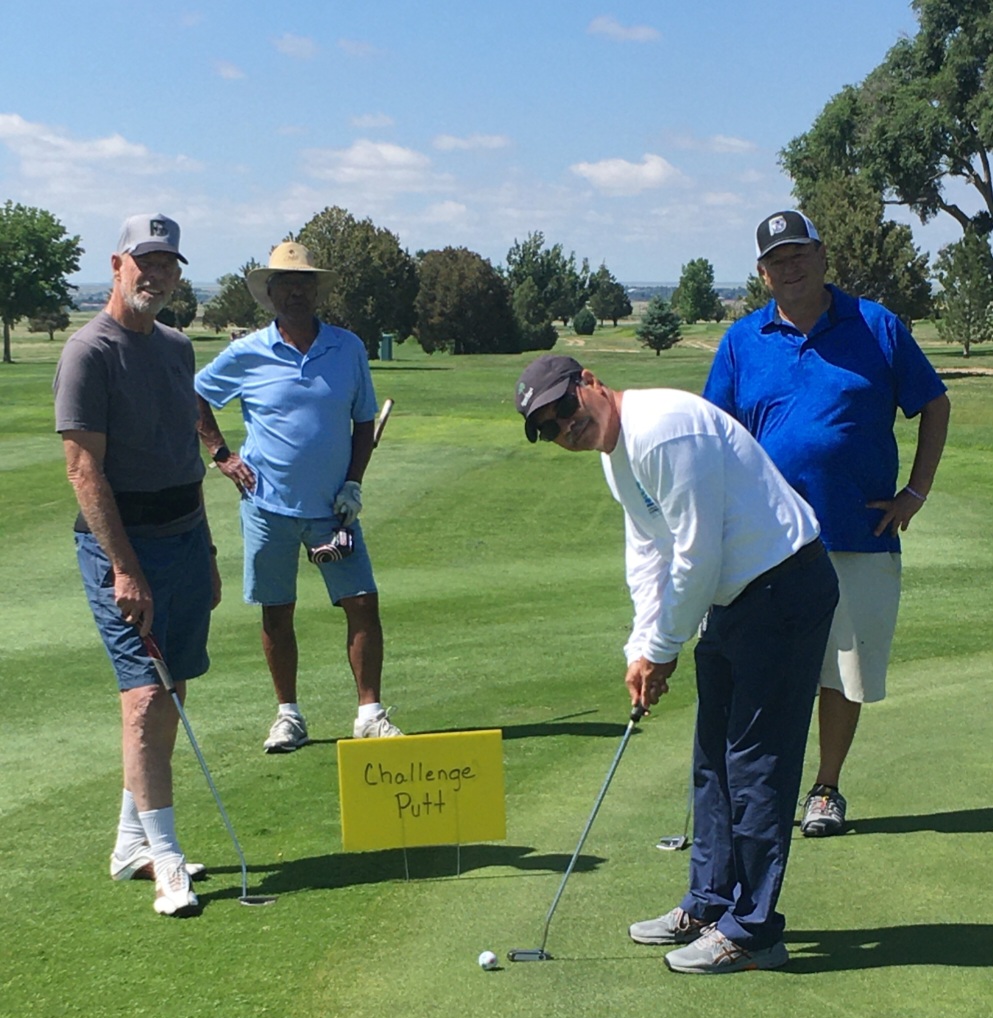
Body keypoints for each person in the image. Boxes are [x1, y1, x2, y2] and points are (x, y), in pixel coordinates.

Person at [514, 355, 839, 974]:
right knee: (712, 757)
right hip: (734, 597)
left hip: (782, 587)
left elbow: (695, 554)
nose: (564, 428)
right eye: (549, 429)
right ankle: (710, 901)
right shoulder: (616, 456)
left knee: (755, 764)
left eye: (565, 409)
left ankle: (753, 933)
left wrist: (663, 650)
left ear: (591, 383)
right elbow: (648, 554)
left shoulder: (663, 429)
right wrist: (641, 648)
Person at [703, 210, 950, 837]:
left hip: (856, 531)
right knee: (765, 671)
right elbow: (715, 436)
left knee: (844, 672)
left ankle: (825, 790)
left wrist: (915, 492)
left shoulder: (876, 325)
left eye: (799, 254)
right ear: (763, 274)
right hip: (765, 543)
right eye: (777, 260)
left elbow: (934, 402)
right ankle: (761, 794)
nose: (790, 267)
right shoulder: (742, 341)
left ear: (821, 256)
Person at [53, 213, 220, 917]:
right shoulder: (88, 351)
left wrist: (206, 550)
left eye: (168, 264)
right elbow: (82, 469)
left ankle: (132, 842)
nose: (156, 274)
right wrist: (125, 569)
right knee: (146, 697)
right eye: (144, 261)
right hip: (123, 547)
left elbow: (186, 457)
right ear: (117, 265)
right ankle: (167, 859)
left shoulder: (177, 347)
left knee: (172, 690)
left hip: (183, 540)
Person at [194, 241, 401, 752]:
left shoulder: (347, 348)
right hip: (267, 505)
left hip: (333, 509)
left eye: (304, 284)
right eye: (285, 285)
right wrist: (221, 454)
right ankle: (288, 715)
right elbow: (194, 394)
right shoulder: (248, 352)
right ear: (270, 293)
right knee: (276, 609)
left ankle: (369, 714)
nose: (295, 293)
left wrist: (353, 483)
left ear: (317, 292)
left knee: (362, 603)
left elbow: (362, 422)